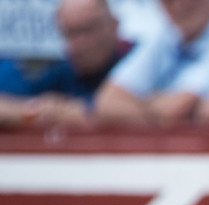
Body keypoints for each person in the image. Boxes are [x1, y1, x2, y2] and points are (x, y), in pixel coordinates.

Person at [93, 0, 209, 125]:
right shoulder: (166, 34)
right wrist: (158, 111)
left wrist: (140, 102)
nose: (180, 4)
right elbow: (106, 103)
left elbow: (176, 110)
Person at [0, 0, 130, 126]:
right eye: (69, 34)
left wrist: (73, 111)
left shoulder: (137, 62)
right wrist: (34, 110)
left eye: (87, 30)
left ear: (114, 25)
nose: (78, 44)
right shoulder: (65, 70)